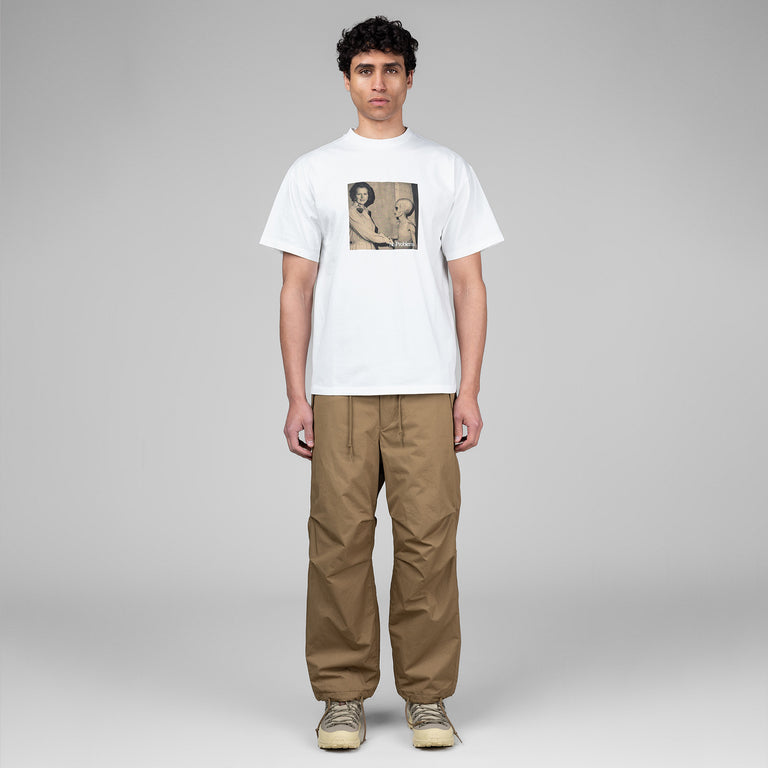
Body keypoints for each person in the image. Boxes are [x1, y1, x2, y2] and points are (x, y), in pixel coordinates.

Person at [260, 15, 503, 750]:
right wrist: (297, 395)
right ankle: (342, 698)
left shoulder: (447, 169)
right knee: (338, 543)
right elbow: (295, 289)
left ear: (409, 78)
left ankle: (427, 698)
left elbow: (470, 285)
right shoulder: (312, 172)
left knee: (429, 543)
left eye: (391, 69)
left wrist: (468, 390)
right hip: (340, 388)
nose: (378, 83)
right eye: (365, 69)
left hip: (427, 387)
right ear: (346, 80)